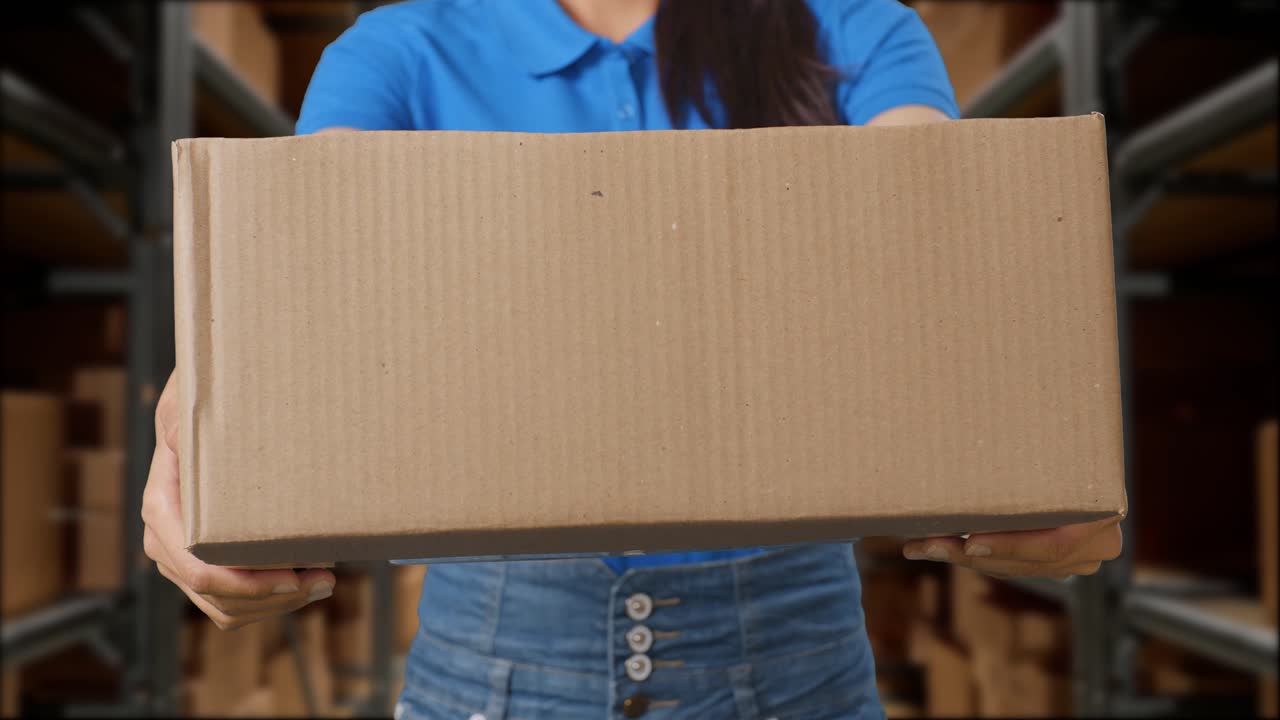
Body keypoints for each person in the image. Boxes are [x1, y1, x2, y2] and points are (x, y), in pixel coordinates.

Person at [143, 1, 1124, 718]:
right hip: (490, 666)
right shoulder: (402, 48)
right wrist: (194, 433)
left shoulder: (848, 27)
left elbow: (950, 270)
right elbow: (297, 297)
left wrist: (1046, 429)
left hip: (791, 656)